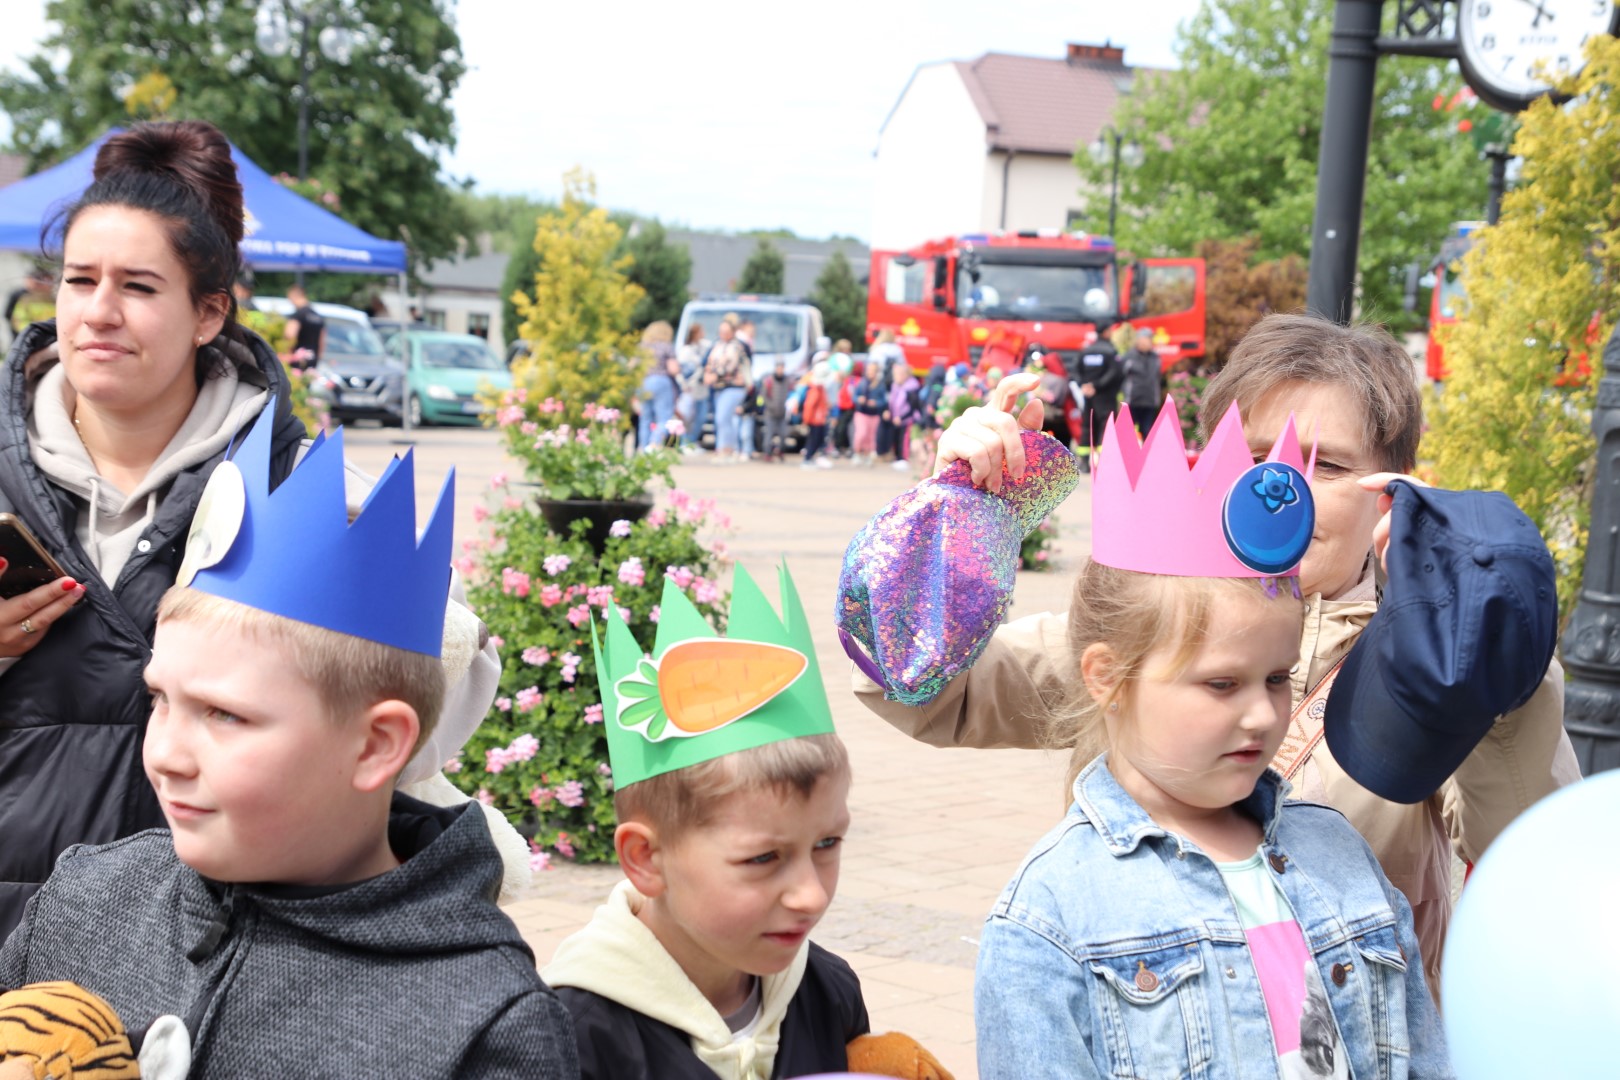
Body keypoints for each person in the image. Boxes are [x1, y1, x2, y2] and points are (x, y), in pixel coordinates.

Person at [854, 312, 1579, 993]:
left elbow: (1536, 865)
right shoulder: (1149, 628)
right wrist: (954, 511)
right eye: (1256, 457)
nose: (1283, 490)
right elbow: (921, 692)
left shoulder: (1430, 662)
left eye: (1326, 466)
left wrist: (1494, 658)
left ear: (1393, 491)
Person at [0, 120, 507, 938]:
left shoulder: (309, 492)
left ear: (209, 313)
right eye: (78, 279)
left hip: (223, 938)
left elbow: (429, 707)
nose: (98, 312)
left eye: (138, 287)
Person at [0, 411, 580, 1079]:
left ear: (375, 745)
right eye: (159, 699)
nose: (165, 755)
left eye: (224, 715)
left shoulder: (484, 1021)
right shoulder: (84, 903)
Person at [973, 402, 1448, 1077]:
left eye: (1277, 678)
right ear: (1108, 678)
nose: (1261, 715)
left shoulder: (1339, 854)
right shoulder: (1051, 914)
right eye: (1222, 684)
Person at [545, 565, 869, 1079]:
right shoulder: (570, 1038)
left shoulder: (828, 991)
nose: (811, 896)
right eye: (763, 857)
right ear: (646, 859)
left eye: (827, 843)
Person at [1070, 333, 1121, 473]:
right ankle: (1104, 462)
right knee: (1106, 425)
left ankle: (1084, 462)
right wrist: (1096, 386)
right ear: (1107, 332)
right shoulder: (1110, 351)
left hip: (1088, 395)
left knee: (1087, 425)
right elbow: (1114, 373)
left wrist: (1084, 385)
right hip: (1105, 396)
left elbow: (1075, 371)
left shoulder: (1085, 351)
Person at [705, 319, 750, 463]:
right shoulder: (717, 345)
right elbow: (709, 362)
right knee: (723, 419)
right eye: (721, 331)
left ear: (733, 332)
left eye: (726, 331)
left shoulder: (736, 346)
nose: (723, 333)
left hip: (733, 387)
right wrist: (707, 373)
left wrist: (714, 375)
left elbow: (730, 366)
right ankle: (725, 449)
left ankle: (727, 450)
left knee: (722, 418)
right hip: (719, 387)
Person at [636, 321, 681, 450]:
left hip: (643, 382)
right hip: (661, 382)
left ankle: (644, 448)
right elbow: (673, 369)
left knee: (645, 418)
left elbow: (633, 367)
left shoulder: (642, 347)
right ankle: (654, 444)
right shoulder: (666, 346)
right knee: (664, 418)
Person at [1119, 328, 1163, 440]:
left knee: (1147, 432)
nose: (1148, 342)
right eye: (1146, 339)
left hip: (1150, 401)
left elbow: (1158, 377)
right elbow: (1119, 376)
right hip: (1132, 401)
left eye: (1150, 339)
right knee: (1129, 433)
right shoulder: (1129, 357)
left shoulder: (1155, 357)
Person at [678, 323, 711, 453]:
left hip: (702, 389)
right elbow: (681, 370)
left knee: (701, 417)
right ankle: (685, 443)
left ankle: (692, 441)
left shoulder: (704, 346)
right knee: (688, 417)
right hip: (690, 389)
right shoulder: (686, 350)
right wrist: (683, 385)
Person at [849, 359, 887, 467]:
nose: (870, 372)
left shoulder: (880, 385)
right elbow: (854, 396)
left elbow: (884, 400)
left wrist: (876, 403)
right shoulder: (862, 383)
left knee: (870, 436)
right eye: (869, 370)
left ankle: (867, 455)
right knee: (861, 433)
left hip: (874, 414)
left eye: (873, 370)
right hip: (862, 412)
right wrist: (859, 399)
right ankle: (857, 453)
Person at [886, 358, 921, 472]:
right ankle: (897, 458)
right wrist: (890, 412)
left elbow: (913, 407)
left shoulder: (912, 387)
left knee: (904, 439)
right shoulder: (895, 386)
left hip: (907, 419)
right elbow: (892, 402)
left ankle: (904, 459)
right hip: (896, 418)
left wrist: (901, 417)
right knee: (896, 438)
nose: (897, 376)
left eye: (899, 374)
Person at [285, 281, 325, 370]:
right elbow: (322, 342)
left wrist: (287, 356)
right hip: (313, 361)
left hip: (296, 361)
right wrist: (317, 359)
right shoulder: (318, 317)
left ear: (294, 296)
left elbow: (289, 335)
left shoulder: (297, 315)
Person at [760, 359, 793, 462]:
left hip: (783, 413)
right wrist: (771, 406)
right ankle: (767, 453)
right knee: (769, 434)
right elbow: (764, 396)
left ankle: (781, 451)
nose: (780, 370)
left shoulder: (787, 380)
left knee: (783, 434)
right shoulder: (768, 381)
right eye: (778, 367)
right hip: (770, 413)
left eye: (782, 368)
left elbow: (791, 394)